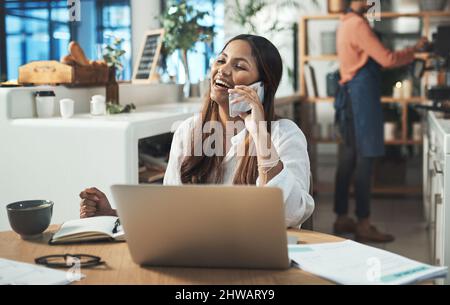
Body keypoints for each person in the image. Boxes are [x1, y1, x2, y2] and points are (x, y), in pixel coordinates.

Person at [79, 34, 314, 228]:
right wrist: (113, 214)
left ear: (262, 87)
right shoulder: (188, 131)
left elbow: (291, 215)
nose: (222, 70)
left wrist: (260, 134)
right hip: (197, 256)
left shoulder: (285, 135)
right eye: (221, 60)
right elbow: (172, 211)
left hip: (258, 261)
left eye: (239, 66)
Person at [334, 0, 428, 242]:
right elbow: (386, 59)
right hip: (362, 95)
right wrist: (414, 51)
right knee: (365, 157)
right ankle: (364, 223)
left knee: (350, 156)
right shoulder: (358, 25)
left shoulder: (345, 23)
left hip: (350, 94)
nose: (371, 1)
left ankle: (342, 217)